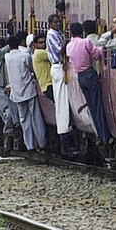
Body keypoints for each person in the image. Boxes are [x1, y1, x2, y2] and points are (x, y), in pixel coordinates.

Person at [66, 22, 110, 146]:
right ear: (83, 32)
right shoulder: (86, 42)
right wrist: (102, 48)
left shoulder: (69, 46)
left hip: (80, 77)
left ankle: (99, 136)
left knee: (91, 106)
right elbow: (96, 56)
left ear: (71, 33)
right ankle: (104, 136)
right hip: (90, 74)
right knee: (98, 107)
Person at [4, 31, 47, 151]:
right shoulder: (24, 56)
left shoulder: (7, 57)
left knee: (24, 119)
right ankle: (42, 144)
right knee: (36, 117)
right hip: (28, 90)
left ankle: (30, 145)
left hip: (16, 93)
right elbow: (31, 69)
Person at [46, 14, 76, 155]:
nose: (59, 24)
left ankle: (66, 136)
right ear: (50, 23)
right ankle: (65, 140)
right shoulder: (52, 35)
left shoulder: (56, 33)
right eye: (56, 22)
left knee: (63, 102)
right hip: (58, 68)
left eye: (59, 22)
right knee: (62, 104)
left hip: (60, 67)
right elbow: (60, 50)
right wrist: (68, 41)